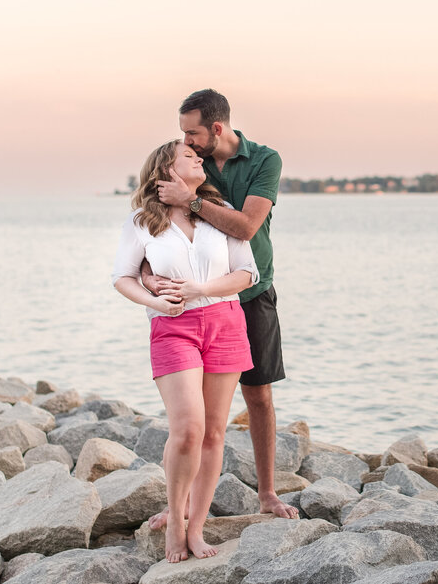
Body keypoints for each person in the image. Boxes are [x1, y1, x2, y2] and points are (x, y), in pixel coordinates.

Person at [141, 88, 298, 520]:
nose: (186, 142)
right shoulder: (189, 162)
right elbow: (151, 230)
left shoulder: (265, 160)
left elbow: (247, 227)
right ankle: (183, 506)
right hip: (196, 306)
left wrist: (192, 202)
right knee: (194, 414)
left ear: (216, 127)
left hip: (250, 288)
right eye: (182, 135)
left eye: (192, 133)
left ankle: (267, 493)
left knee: (259, 394)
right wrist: (145, 276)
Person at [112, 140, 259, 562]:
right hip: (172, 327)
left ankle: (197, 527)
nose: (199, 158)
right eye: (189, 156)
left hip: (226, 322)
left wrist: (202, 289)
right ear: (166, 168)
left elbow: (247, 273)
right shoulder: (143, 221)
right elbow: (123, 277)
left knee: (214, 432)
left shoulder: (220, 211)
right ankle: (175, 520)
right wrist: (155, 302)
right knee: (188, 429)